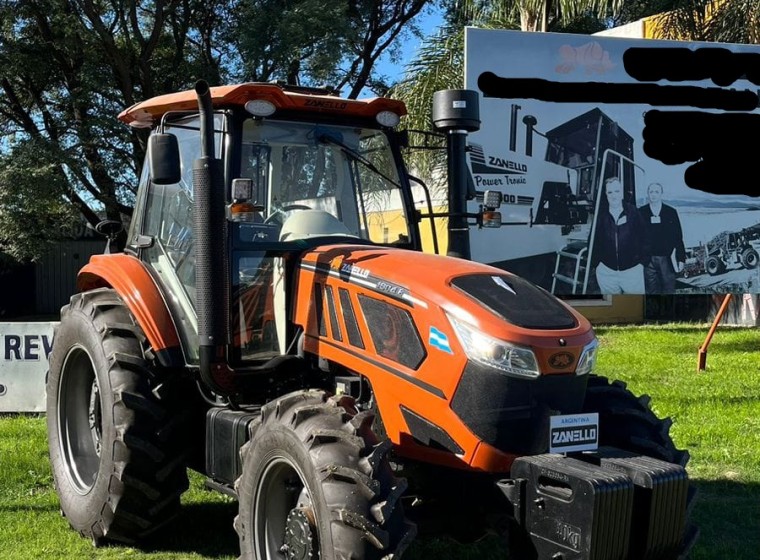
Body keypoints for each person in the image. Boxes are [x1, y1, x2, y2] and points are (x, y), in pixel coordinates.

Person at [591, 177, 647, 294]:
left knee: (635, 307)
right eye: (610, 192)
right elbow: (593, 240)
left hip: (632, 272)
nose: (613, 195)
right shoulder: (600, 216)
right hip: (607, 273)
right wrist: (597, 265)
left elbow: (645, 238)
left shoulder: (634, 213)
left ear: (622, 193)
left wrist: (641, 264)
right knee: (612, 309)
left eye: (617, 191)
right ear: (606, 195)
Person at [638, 182, 686, 293]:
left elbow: (678, 237)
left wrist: (681, 258)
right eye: (651, 192)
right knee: (651, 292)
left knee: (668, 290)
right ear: (648, 194)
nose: (653, 194)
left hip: (667, 260)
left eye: (656, 192)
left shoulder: (671, 212)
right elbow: (636, 237)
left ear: (661, 194)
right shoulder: (641, 212)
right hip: (648, 261)